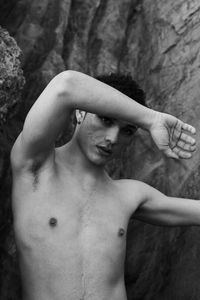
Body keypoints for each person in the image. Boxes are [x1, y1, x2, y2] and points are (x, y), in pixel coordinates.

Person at [10, 70, 197, 300]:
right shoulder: (36, 167)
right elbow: (66, 85)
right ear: (79, 112)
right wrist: (150, 119)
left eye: (127, 130)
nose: (113, 138)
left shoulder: (130, 195)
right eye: (105, 119)